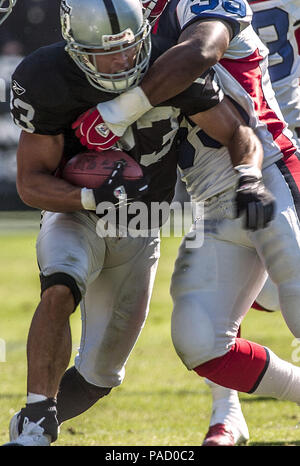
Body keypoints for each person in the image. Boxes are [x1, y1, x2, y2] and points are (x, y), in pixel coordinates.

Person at [4, 0, 268, 446]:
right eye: (105, 52)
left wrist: (248, 177)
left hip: (142, 224)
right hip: (77, 213)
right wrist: (89, 195)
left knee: (99, 378)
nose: (122, 61)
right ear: (74, 47)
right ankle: (34, 423)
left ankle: (38, 420)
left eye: (127, 48)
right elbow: (30, 183)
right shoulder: (46, 76)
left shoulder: (168, 66)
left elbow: (239, 133)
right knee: (59, 287)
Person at [72, 0, 300, 446]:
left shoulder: (194, 6)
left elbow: (199, 53)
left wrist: (115, 113)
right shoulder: (125, 29)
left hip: (267, 170)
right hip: (211, 200)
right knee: (202, 341)